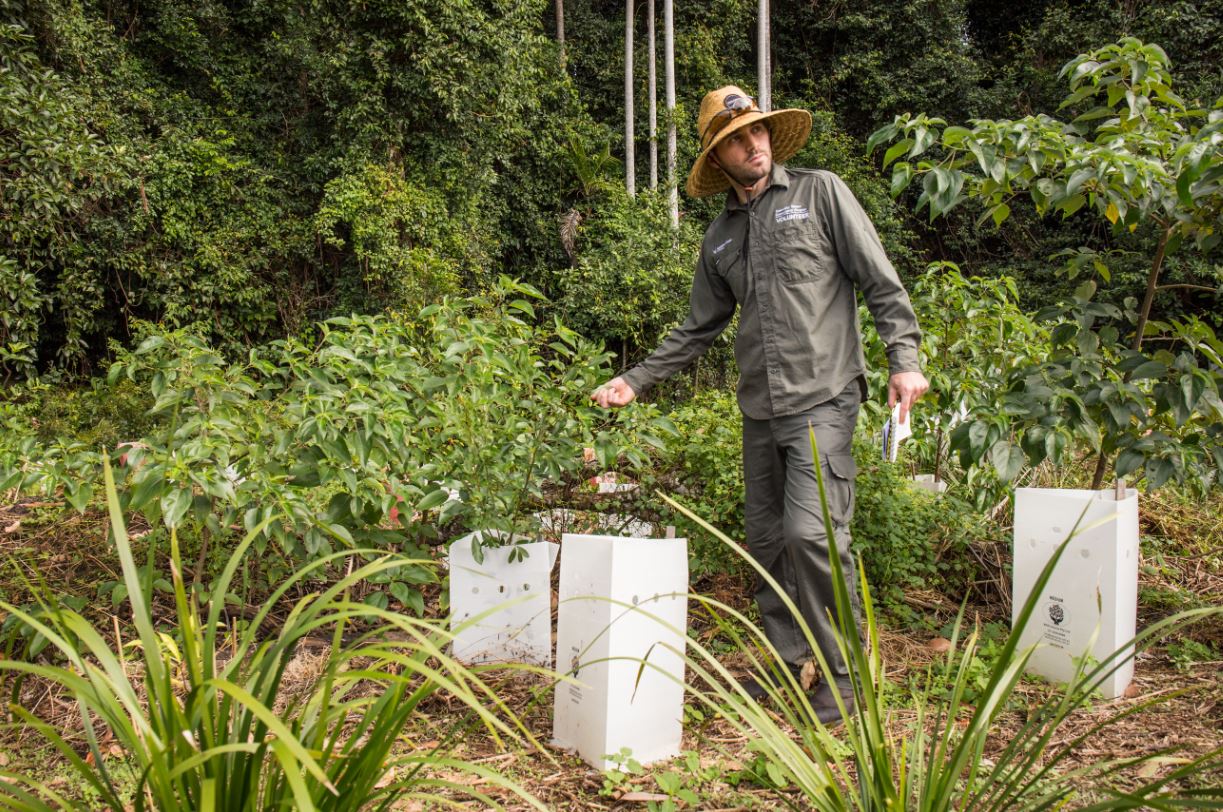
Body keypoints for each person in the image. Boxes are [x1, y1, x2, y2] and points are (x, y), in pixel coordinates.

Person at [591, 85, 929, 725]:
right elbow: (700, 325)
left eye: (758, 132)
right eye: (736, 141)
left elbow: (880, 281)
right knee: (768, 543)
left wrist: (903, 359)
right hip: (760, 409)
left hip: (824, 396)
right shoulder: (719, 236)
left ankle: (845, 679)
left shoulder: (821, 193)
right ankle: (785, 666)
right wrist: (636, 380)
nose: (753, 145)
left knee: (813, 535)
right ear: (717, 158)